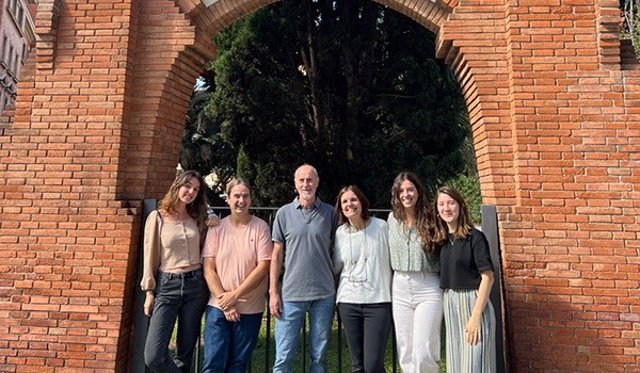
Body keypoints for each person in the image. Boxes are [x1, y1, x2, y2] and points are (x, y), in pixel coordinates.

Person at [269, 164, 338, 373]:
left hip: (324, 294)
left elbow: (338, 249)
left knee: (319, 357)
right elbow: (277, 254)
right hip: (291, 295)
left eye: (310, 180)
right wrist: (273, 292)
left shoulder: (330, 213)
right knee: (283, 356)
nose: (306, 184)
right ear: (295, 183)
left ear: (317, 183)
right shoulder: (283, 214)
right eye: (302, 180)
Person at [141, 170, 210, 373]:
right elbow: (149, 255)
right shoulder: (158, 217)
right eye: (188, 186)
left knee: (184, 354)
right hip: (167, 285)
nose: (191, 192)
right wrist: (149, 292)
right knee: (153, 356)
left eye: (196, 189)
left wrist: (212, 217)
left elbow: (211, 226)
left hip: (196, 285)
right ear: (177, 186)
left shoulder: (198, 216)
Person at [201, 179, 273, 373]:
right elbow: (209, 269)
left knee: (237, 366)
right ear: (228, 199)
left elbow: (263, 266)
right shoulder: (217, 228)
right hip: (218, 307)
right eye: (236, 196)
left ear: (250, 199)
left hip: (250, 308)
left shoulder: (261, 228)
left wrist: (235, 296)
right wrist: (226, 302)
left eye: (245, 196)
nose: (241, 200)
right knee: (213, 365)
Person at [434, 186, 496, 373]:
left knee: (475, 367)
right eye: (442, 204)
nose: (447, 208)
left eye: (451, 203)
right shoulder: (442, 241)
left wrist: (476, 316)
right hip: (451, 303)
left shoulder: (475, 237)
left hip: (474, 303)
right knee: (457, 366)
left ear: (460, 206)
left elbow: (488, 277)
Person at [333, 185, 392, 373]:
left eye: (353, 199)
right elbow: (336, 267)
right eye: (345, 202)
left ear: (362, 201)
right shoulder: (340, 233)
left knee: (373, 365)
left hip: (378, 302)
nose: (350, 204)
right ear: (340, 207)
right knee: (357, 366)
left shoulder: (381, 226)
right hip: (348, 302)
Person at [387, 171, 442, 373]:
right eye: (401, 190)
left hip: (428, 285)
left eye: (410, 189)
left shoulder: (432, 217)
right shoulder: (392, 219)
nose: (406, 194)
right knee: (406, 348)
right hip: (400, 284)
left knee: (424, 348)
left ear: (418, 191)